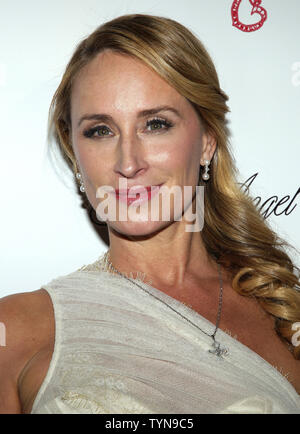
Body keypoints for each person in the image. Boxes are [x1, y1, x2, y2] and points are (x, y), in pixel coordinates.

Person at [1, 13, 300, 414]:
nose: (128, 162)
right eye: (100, 130)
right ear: (75, 153)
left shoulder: (284, 318)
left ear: (208, 141)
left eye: (156, 124)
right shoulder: (17, 330)